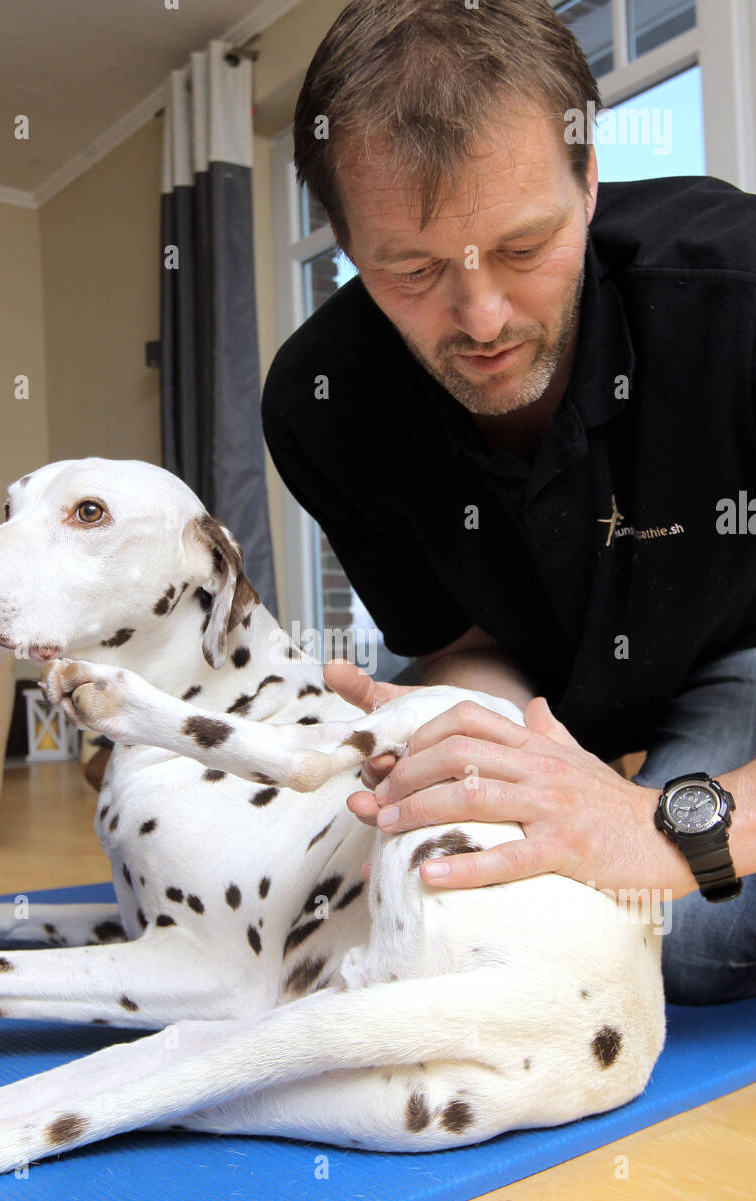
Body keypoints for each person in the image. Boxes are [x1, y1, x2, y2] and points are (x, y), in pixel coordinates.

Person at [261, 0, 756, 1005]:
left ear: (585, 183)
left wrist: (656, 826)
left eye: (524, 247)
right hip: (546, 673)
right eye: (410, 270)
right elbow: (465, 636)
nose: (480, 319)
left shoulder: (737, 297)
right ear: (347, 245)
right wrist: (476, 739)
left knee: (686, 929)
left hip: (737, 644)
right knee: (363, 878)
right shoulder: (320, 402)